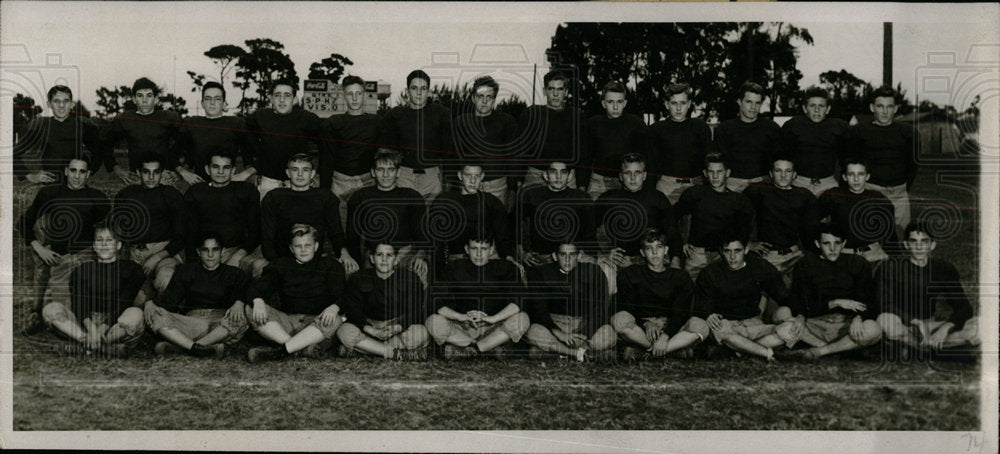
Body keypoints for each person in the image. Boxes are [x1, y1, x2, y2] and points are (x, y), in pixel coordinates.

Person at [19, 155, 110, 334]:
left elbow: (109, 227)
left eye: (82, 171)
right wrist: (40, 248)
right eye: (73, 170)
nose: (77, 176)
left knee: (89, 309)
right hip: (60, 260)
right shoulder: (50, 194)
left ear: (88, 174)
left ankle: (90, 336)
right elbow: (23, 223)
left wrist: (100, 250)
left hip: (86, 258)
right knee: (60, 312)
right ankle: (80, 336)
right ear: (66, 171)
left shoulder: (97, 197)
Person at [777, 225, 882, 360]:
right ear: (817, 244)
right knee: (782, 322)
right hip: (816, 324)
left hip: (846, 325)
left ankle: (819, 352)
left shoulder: (858, 263)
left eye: (837, 243)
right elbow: (803, 303)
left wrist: (858, 318)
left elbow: (868, 301)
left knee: (873, 329)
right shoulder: (805, 264)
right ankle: (842, 349)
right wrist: (834, 303)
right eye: (826, 243)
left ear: (843, 243)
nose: (832, 248)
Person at [42, 222, 147, 356]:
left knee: (136, 314)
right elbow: (79, 303)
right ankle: (92, 344)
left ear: (119, 245)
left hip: (114, 323)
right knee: (50, 309)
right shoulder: (82, 270)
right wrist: (91, 329)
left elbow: (124, 302)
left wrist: (102, 329)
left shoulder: (132, 269)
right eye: (99, 240)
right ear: (94, 246)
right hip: (85, 323)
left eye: (109, 240)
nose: (104, 244)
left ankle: (85, 347)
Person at [245, 225, 348, 362]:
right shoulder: (281, 265)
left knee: (338, 318)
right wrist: (258, 300)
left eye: (308, 245)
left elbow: (343, 294)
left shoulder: (330, 265)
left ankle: (281, 351)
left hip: (317, 324)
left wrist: (334, 307)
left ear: (316, 246)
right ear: (291, 248)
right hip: (287, 323)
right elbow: (258, 287)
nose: (303, 250)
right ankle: (299, 348)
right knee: (250, 307)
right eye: (298, 246)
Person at [692, 234, 800, 361]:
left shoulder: (759, 267)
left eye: (737, 251)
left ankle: (739, 351)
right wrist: (709, 314)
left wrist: (799, 316)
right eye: (727, 251)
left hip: (753, 324)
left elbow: (783, 295)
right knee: (719, 329)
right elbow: (701, 303)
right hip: (728, 326)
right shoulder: (710, 272)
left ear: (746, 250)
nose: (732, 257)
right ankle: (768, 354)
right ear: (721, 251)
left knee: (790, 330)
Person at [875, 222, 978, 355]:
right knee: (884, 320)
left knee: (982, 325)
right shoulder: (890, 267)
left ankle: (917, 347)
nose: (919, 247)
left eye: (924, 241)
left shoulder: (943, 268)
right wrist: (916, 322)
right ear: (906, 245)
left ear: (932, 245)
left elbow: (964, 307)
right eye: (913, 241)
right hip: (902, 323)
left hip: (929, 325)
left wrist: (945, 328)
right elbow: (884, 304)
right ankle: (931, 349)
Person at [144, 232, 250, 357]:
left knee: (241, 318)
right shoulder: (186, 271)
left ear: (222, 251)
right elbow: (169, 303)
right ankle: (201, 348)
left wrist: (239, 302)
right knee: (156, 315)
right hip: (193, 323)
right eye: (205, 250)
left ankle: (187, 347)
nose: (210, 255)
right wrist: (150, 303)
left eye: (215, 250)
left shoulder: (234, 273)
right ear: (198, 252)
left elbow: (244, 293)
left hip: (220, 325)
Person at [254, 153, 356, 278]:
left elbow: (336, 231)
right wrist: (279, 264)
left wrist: (344, 253)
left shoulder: (325, 197)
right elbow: (267, 237)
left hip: (314, 258)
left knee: (349, 268)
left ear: (312, 173)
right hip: (282, 258)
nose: (300, 174)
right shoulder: (274, 197)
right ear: (288, 173)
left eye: (305, 170)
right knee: (259, 268)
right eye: (295, 170)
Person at [426, 234, 528, 358]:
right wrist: (461, 317)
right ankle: (486, 349)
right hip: (462, 327)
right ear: (466, 249)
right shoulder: (454, 267)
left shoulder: (506, 267)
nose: (479, 254)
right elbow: (437, 302)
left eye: (484, 249)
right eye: (474, 249)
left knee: (523, 319)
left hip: (494, 327)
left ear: (491, 250)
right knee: (432, 321)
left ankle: (473, 350)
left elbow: (518, 301)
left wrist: (492, 319)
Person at [612, 229, 706, 359]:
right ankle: (671, 350)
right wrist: (645, 324)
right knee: (619, 319)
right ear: (642, 253)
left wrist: (665, 336)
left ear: (666, 250)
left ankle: (651, 351)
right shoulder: (631, 274)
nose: (655, 252)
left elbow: (681, 311)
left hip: (672, 326)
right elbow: (627, 307)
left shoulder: (680, 276)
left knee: (701, 326)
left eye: (659, 247)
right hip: (643, 328)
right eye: (649, 248)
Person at [845, 85, 920, 237]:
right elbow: (848, 161)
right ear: (872, 107)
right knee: (868, 236)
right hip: (870, 190)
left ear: (896, 108)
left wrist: (903, 185)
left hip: (898, 192)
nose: (885, 111)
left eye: (889, 107)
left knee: (900, 237)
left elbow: (913, 164)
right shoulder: (858, 131)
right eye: (880, 106)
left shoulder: (908, 132)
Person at [523, 240, 616, 361]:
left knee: (609, 333)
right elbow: (538, 309)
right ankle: (579, 353)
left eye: (572, 255)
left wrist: (584, 334)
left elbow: (600, 308)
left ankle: (559, 352)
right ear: (555, 256)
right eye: (563, 255)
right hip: (555, 323)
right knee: (532, 331)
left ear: (579, 256)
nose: (567, 259)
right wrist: (558, 332)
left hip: (584, 323)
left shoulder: (594, 271)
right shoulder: (540, 273)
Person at [336, 241, 430, 360]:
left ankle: (367, 350)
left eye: (389, 255)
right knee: (344, 331)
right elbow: (353, 311)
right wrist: (373, 331)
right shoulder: (358, 278)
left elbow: (416, 311)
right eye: (379, 255)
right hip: (369, 329)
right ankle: (398, 354)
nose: (384, 259)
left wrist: (397, 327)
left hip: (397, 329)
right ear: (372, 259)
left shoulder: (409, 278)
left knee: (421, 332)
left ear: (396, 260)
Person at [345, 149, 428, 283]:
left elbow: (422, 233)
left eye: (391, 169)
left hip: (404, 254)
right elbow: (352, 236)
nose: (385, 174)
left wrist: (420, 255)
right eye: (380, 169)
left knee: (420, 271)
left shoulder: (411, 196)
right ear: (373, 172)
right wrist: (357, 265)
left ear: (398, 172)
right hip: (374, 256)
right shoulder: (360, 197)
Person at [672, 152, 755, 281]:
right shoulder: (695, 194)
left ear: (727, 173)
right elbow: (671, 218)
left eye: (719, 171)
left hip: (723, 256)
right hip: (697, 254)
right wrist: (681, 242)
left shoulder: (738, 201)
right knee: (689, 292)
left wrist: (748, 243)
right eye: (711, 172)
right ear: (705, 173)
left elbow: (746, 228)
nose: (715, 176)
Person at [111, 152, 184, 295]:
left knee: (166, 280)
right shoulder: (126, 194)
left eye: (156, 172)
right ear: (138, 172)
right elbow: (119, 231)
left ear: (162, 173)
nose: (151, 177)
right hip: (136, 252)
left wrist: (157, 256)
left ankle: (164, 313)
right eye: (146, 172)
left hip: (164, 251)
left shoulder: (170, 194)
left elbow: (181, 235)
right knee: (134, 294)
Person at [595, 153, 683, 272]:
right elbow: (589, 228)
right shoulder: (608, 198)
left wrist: (676, 259)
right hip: (620, 260)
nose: (632, 178)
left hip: (651, 258)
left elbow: (672, 231)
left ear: (644, 175)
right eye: (627, 173)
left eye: (637, 172)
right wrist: (606, 252)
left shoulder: (657, 198)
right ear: (621, 176)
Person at [245, 78, 326, 201]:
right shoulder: (260, 116)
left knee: (297, 218)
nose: (282, 100)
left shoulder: (307, 118)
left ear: (294, 99)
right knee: (266, 217)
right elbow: (247, 143)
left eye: (287, 95)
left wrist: (318, 174)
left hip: (298, 181)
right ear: (270, 98)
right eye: (277, 95)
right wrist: (250, 169)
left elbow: (325, 145)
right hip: (268, 180)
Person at [742, 155, 818, 286]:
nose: (783, 175)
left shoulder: (804, 196)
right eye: (778, 171)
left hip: (794, 255)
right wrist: (747, 244)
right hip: (768, 256)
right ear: (771, 174)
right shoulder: (758, 191)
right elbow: (736, 215)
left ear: (794, 174)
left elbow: (811, 229)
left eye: (788, 171)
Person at [377, 69, 452, 201]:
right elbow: (387, 150)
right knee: (405, 217)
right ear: (407, 91)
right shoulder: (395, 115)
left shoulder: (441, 114)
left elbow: (448, 149)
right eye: (414, 88)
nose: (418, 93)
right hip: (404, 175)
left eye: (423, 88)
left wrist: (446, 178)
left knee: (432, 218)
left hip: (433, 176)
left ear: (428, 92)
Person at [183, 150, 261, 268]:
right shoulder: (196, 192)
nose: (220, 172)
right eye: (215, 167)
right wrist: (194, 263)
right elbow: (190, 231)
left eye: (226, 167)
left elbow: (256, 230)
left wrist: (239, 254)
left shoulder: (246, 191)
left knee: (260, 267)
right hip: (204, 252)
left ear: (233, 170)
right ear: (207, 169)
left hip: (236, 250)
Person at [322, 75, 381, 228]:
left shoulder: (377, 122)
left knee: (368, 228)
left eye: (358, 93)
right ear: (344, 96)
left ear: (364, 95)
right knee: (341, 227)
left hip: (367, 180)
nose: (354, 98)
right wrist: (324, 191)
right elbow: (327, 157)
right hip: (340, 181)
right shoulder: (334, 122)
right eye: (350, 94)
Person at [427, 163, 514, 267]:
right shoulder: (445, 201)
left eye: (476, 176)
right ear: (460, 175)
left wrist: (509, 257)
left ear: (482, 176)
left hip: (484, 259)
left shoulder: (491, 201)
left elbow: (502, 234)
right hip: (456, 261)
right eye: (468, 175)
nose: (473, 181)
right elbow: (436, 239)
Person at [103, 77, 184, 188]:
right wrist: (118, 170)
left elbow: (186, 144)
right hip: (137, 176)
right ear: (134, 99)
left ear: (156, 99)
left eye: (149, 96)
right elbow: (105, 146)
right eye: (140, 96)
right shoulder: (125, 120)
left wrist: (179, 170)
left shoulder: (168, 117)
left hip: (164, 176)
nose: (144, 100)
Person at [13, 85, 102, 184]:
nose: (61, 105)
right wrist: (29, 176)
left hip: (76, 185)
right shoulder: (41, 125)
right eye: (56, 101)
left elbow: (98, 151)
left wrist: (90, 170)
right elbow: (14, 154)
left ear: (72, 104)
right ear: (49, 104)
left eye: (66, 101)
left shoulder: (82, 125)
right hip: (51, 183)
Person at [451, 75, 518, 206]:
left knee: (496, 225)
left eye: (489, 97)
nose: (484, 101)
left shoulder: (506, 121)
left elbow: (513, 157)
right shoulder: (461, 122)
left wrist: (512, 189)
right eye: (480, 96)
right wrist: (453, 187)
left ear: (494, 100)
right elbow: (454, 156)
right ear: (473, 98)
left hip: (497, 186)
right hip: (467, 185)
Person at [516, 161, 597, 268]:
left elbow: (589, 233)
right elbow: (514, 225)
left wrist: (587, 255)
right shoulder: (531, 195)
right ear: (545, 175)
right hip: (540, 258)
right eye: (553, 172)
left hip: (571, 258)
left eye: (563, 172)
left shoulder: (581, 198)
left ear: (569, 176)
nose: (558, 177)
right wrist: (522, 252)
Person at [517, 70, 587, 189]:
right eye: (551, 89)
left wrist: (582, 184)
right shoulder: (532, 114)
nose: (555, 94)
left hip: (566, 177)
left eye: (560, 89)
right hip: (536, 176)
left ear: (566, 92)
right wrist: (518, 181)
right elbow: (520, 150)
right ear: (545, 91)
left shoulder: (577, 116)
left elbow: (583, 152)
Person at [818, 157, 896, 264]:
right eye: (851, 174)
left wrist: (893, 256)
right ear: (844, 177)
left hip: (872, 254)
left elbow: (890, 234)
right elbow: (815, 222)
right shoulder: (833, 196)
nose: (856, 179)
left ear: (867, 176)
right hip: (843, 253)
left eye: (860, 174)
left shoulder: (878, 199)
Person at [177, 81, 254, 185]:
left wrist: (244, 175)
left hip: (228, 185)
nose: (212, 103)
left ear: (224, 103)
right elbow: (174, 153)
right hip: (201, 185)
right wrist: (184, 172)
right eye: (208, 99)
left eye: (217, 99)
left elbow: (253, 154)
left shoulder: (236, 123)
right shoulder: (192, 123)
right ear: (202, 103)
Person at [647, 83, 713, 205]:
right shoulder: (656, 130)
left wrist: (709, 188)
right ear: (667, 104)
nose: (678, 108)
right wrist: (649, 192)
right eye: (674, 103)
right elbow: (652, 164)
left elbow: (708, 161)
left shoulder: (700, 127)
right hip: (667, 185)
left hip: (695, 184)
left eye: (682, 103)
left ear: (689, 104)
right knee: (666, 222)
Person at [712, 81, 782, 193]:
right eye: (749, 102)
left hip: (763, 183)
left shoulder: (771, 128)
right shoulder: (725, 129)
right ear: (739, 101)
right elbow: (718, 161)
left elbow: (778, 160)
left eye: (757, 103)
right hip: (732, 184)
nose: (753, 107)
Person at [780, 86, 849, 197]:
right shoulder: (793, 125)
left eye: (821, 106)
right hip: (799, 181)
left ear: (828, 109)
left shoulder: (839, 127)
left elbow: (846, 158)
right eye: (812, 106)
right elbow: (783, 155)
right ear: (804, 108)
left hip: (828, 182)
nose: (817, 110)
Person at [584, 81, 647, 200]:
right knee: (595, 214)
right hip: (599, 180)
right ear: (603, 103)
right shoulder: (593, 123)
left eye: (619, 102)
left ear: (625, 103)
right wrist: (582, 184)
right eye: (610, 102)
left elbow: (644, 155)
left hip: (627, 180)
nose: (615, 106)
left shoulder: (635, 124)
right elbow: (586, 156)